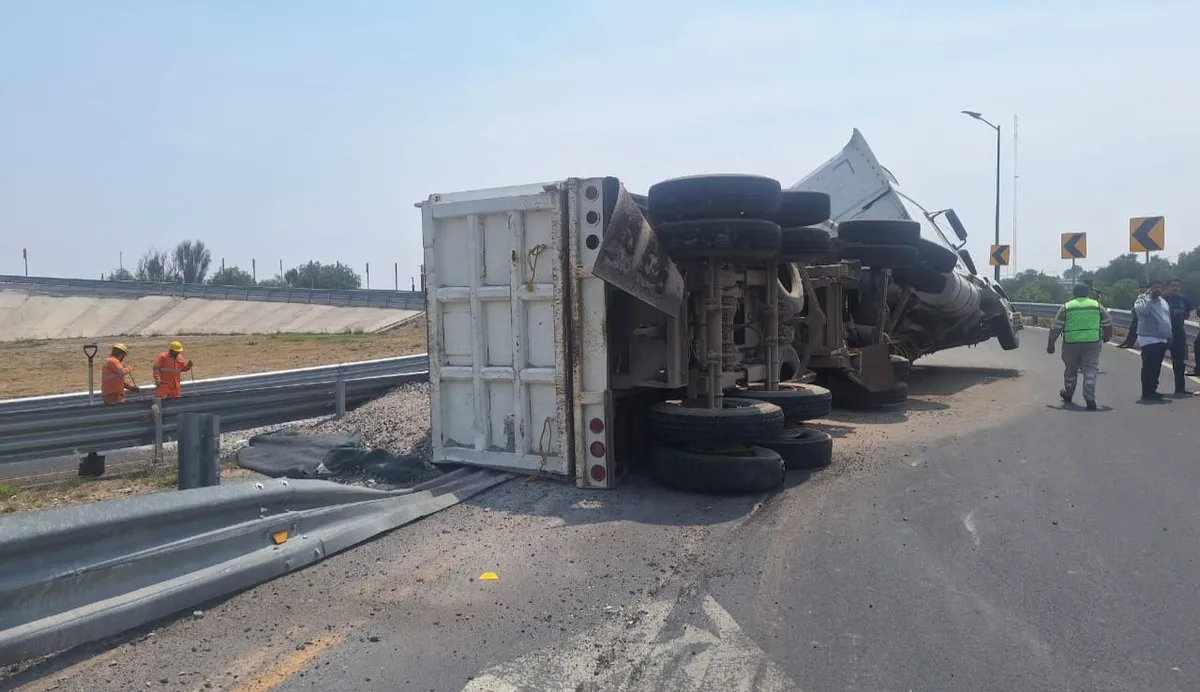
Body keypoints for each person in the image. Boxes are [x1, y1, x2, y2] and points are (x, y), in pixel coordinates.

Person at [1047, 284, 1113, 410]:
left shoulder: (1067, 307)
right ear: (1088, 293)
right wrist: (1107, 335)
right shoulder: (1096, 305)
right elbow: (1108, 323)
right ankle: (1090, 399)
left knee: (1071, 370)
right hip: (1092, 342)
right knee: (1090, 370)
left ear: (1074, 293)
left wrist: (1051, 344)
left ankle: (1068, 393)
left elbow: (1056, 327)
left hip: (1071, 343)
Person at [1133, 281, 1173, 402]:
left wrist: (1169, 334)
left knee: (1156, 366)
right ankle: (1147, 391)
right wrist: (1150, 298)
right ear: (1148, 289)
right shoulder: (1142, 300)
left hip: (1162, 337)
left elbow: (1166, 318)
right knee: (1149, 366)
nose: (1157, 290)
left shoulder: (1163, 301)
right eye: (1154, 288)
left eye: (1159, 288)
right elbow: (1141, 312)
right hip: (1148, 338)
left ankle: (1152, 390)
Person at [1162, 278, 1193, 394]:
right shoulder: (1162, 299)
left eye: (1177, 286)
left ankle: (1180, 388)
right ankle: (1150, 390)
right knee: (1155, 361)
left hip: (1179, 334)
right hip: (1163, 334)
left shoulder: (1184, 299)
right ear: (1167, 287)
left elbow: (1186, 315)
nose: (1175, 288)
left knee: (1179, 363)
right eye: (1172, 285)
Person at [1117, 282, 1148, 348]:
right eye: (1141, 287)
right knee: (1132, 329)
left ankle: (1130, 343)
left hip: (1141, 316)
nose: (1142, 288)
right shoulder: (1140, 295)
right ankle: (1126, 342)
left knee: (1135, 330)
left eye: (1143, 287)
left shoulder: (1147, 296)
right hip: (1136, 314)